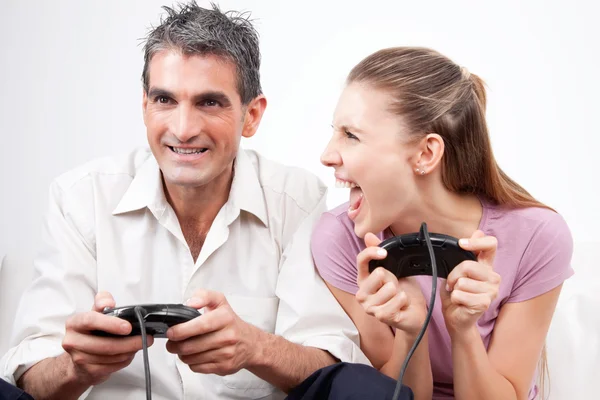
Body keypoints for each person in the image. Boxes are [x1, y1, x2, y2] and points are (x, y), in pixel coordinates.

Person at [0, 2, 369, 399]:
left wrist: (255, 347)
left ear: (252, 116)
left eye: (209, 102)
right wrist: (76, 367)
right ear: (145, 106)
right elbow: (28, 381)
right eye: (165, 100)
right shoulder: (80, 199)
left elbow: (335, 372)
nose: (183, 128)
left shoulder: (298, 200)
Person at [311, 46, 573, 399]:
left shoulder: (537, 236)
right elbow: (395, 396)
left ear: (426, 153)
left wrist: (463, 329)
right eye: (335, 132)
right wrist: (410, 331)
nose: (327, 155)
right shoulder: (340, 239)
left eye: (351, 135)